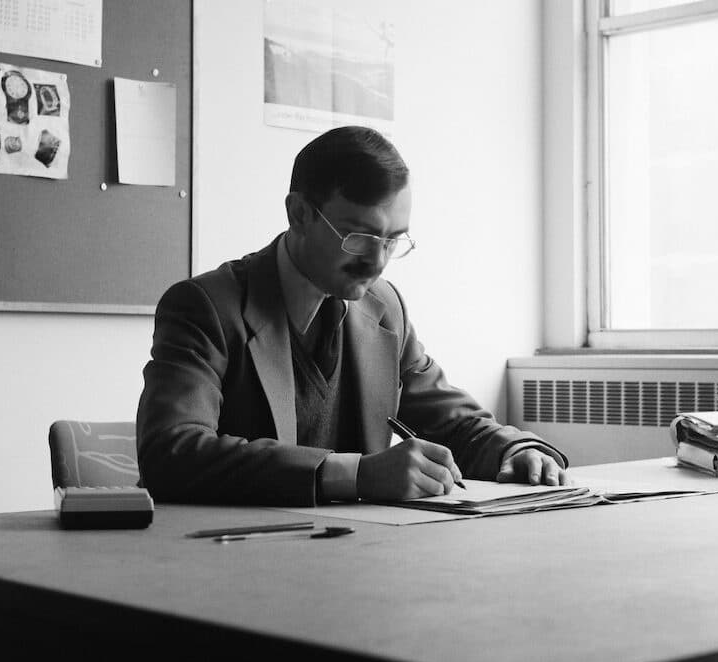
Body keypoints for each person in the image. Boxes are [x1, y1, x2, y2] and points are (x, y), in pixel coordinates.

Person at [136, 126, 568, 506]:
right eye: (359, 238)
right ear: (299, 214)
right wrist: (356, 474)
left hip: (359, 564)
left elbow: (454, 424)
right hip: (226, 568)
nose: (378, 262)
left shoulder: (386, 309)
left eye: (393, 240)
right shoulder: (205, 306)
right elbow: (171, 453)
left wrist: (515, 451)